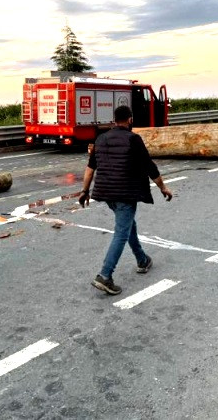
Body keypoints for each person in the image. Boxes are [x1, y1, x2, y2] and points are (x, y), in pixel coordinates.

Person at [79, 105, 173, 295]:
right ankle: (105, 275)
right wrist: (163, 187)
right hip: (125, 193)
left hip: (106, 194)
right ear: (130, 120)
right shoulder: (133, 139)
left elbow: (90, 168)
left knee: (128, 225)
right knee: (121, 232)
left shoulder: (101, 139)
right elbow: (149, 166)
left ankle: (142, 260)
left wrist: (84, 191)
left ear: (114, 120)